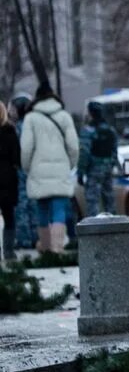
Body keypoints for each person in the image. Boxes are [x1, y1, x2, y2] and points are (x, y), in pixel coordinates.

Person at [20, 82, 78, 253]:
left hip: (38, 170)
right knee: (59, 209)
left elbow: (26, 147)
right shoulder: (65, 116)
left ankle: (45, 247)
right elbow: (74, 147)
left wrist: (27, 167)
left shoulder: (30, 118)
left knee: (42, 210)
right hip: (60, 169)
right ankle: (58, 247)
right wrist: (69, 165)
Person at [77, 101, 119, 218]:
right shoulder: (110, 130)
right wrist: (110, 165)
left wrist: (81, 172)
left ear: (90, 113)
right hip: (107, 170)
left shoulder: (88, 131)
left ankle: (94, 229)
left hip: (93, 170)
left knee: (92, 202)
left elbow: (84, 153)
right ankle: (113, 225)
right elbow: (115, 151)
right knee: (109, 200)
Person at [9, 95, 36, 250]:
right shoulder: (33, 125)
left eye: (12, 108)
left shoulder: (17, 128)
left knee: (21, 206)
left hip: (20, 172)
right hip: (33, 171)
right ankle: (35, 237)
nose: (10, 111)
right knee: (33, 205)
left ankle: (24, 239)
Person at [0, 103, 20, 260]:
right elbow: (16, 158)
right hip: (7, 178)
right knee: (9, 216)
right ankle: (8, 251)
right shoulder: (10, 131)